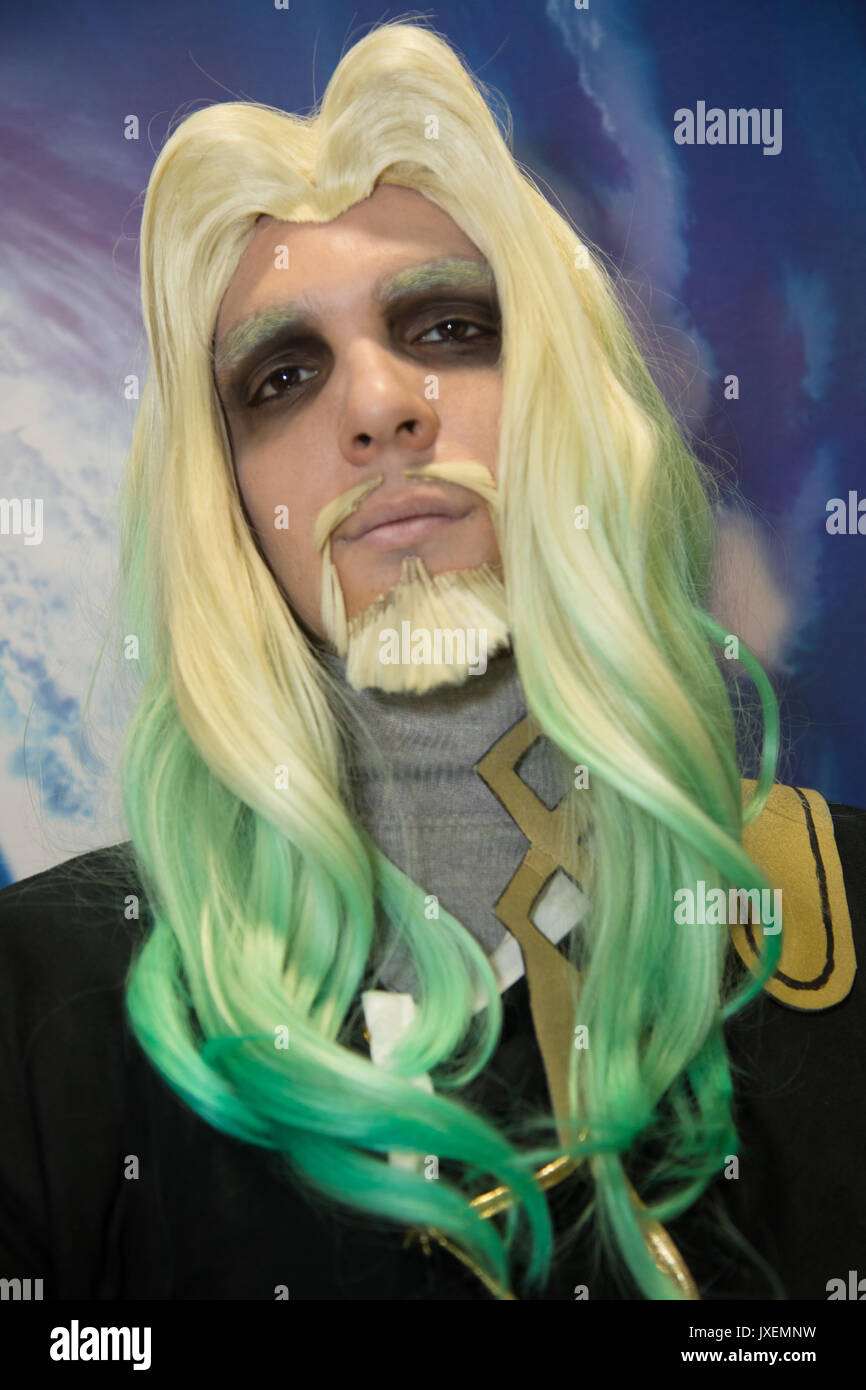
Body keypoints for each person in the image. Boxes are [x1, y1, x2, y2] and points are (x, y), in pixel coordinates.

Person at [0, 18, 863, 1303]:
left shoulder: (833, 922)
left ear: (570, 404)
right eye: (282, 374)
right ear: (225, 500)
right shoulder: (46, 998)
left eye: (449, 326)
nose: (376, 404)